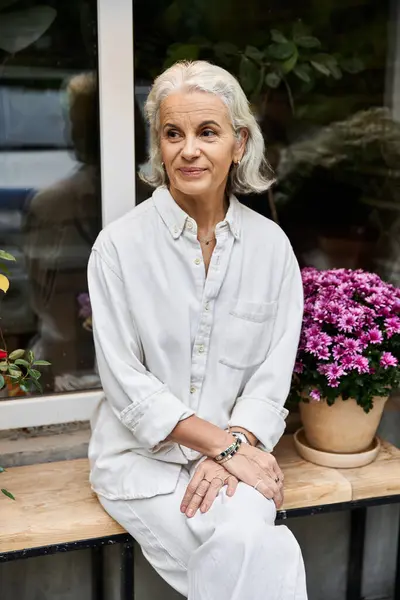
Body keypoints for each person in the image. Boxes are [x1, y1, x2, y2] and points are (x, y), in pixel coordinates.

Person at [88, 60, 307, 599]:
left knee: (246, 546)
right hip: (142, 465)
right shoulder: (117, 247)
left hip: (237, 449)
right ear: (158, 148)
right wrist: (224, 447)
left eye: (207, 132)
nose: (189, 150)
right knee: (254, 548)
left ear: (239, 142)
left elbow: (271, 373)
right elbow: (125, 382)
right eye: (173, 134)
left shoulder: (271, 247)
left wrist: (235, 442)